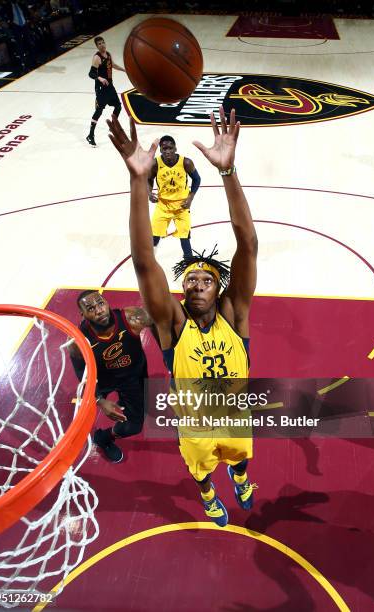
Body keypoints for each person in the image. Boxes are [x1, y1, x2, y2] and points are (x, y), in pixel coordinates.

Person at [107, 107, 258, 526]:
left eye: (204, 279)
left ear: (219, 288)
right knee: (201, 471)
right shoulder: (173, 326)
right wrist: (139, 181)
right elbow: (143, 261)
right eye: (189, 279)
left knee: (240, 459)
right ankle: (211, 497)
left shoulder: (235, 314)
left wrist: (229, 173)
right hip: (194, 427)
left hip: (236, 415)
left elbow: (247, 244)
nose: (194, 283)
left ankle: (241, 480)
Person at [68, 290, 153, 463]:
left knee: (139, 418)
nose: (99, 311)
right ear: (82, 314)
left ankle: (123, 402)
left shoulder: (131, 317)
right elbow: (81, 374)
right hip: (104, 379)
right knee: (132, 426)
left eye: (100, 304)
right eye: (90, 308)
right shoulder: (78, 342)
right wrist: (99, 400)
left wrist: (169, 355)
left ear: (106, 302)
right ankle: (103, 438)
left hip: (133, 375)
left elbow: (160, 323)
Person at [148, 136, 201, 258]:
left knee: (184, 237)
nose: (167, 151)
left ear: (175, 148)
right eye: (164, 148)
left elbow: (197, 179)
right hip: (163, 205)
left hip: (181, 206)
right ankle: (149, 260)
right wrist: (149, 193)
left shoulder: (186, 162)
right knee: (155, 236)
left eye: (170, 148)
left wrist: (190, 198)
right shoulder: (155, 164)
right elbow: (148, 179)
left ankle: (188, 263)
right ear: (160, 150)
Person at [86, 36, 125, 147]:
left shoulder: (108, 54)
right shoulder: (97, 58)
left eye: (103, 42)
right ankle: (90, 135)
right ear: (97, 46)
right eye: (99, 44)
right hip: (101, 88)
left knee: (118, 106)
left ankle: (112, 127)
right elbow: (91, 74)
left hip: (110, 86)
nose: (102, 45)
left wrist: (124, 70)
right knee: (98, 112)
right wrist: (100, 78)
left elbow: (113, 65)